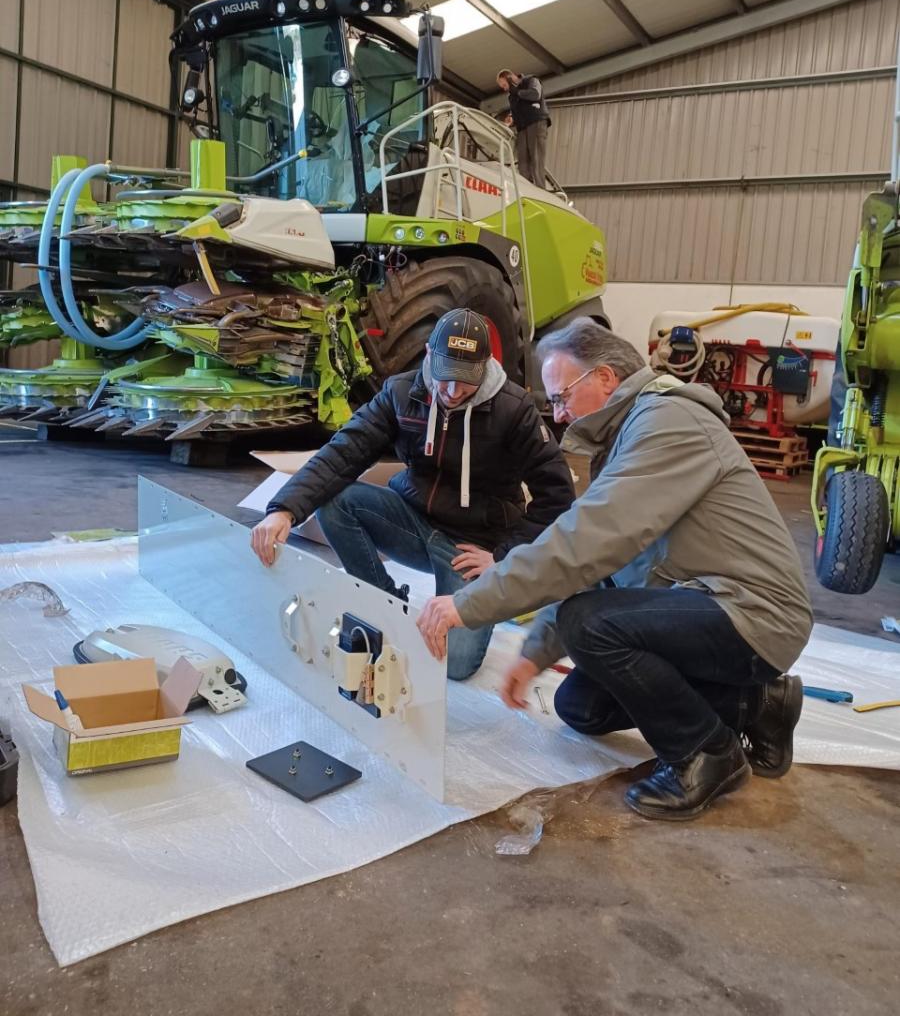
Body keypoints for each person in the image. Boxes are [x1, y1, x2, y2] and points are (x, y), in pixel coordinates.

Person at [417, 319, 813, 820]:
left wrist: (468, 604)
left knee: (588, 623)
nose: (558, 415)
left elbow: (585, 541)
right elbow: (601, 567)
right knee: (581, 707)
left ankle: (707, 752)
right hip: (703, 604)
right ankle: (761, 704)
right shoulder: (629, 436)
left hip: (752, 613)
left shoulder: (668, 423)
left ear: (604, 377)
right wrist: (535, 654)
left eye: (561, 397)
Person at [250, 308, 575, 681]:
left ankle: (458, 601)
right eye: (446, 376)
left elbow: (558, 496)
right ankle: (386, 603)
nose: (453, 391)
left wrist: (504, 557)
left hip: (473, 546)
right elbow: (344, 451)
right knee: (336, 501)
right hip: (413, 520)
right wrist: (284, 509)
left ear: (486, 364)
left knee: (457, 663)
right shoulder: (401, 393)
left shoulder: (514, 411)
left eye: (466, 380)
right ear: (428, 354)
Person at [496, 69, 551, 187]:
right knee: (523, 162)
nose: (504, 89)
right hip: (522, 127)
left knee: (536, 158)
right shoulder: (511, 96)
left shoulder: (531, 80)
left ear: (510, 78)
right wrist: (511, 119)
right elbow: (516, 110)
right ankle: (527, 188)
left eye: (505, 85)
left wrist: (518, 92)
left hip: (536, 122)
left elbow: (535, 94)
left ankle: (540, 189)